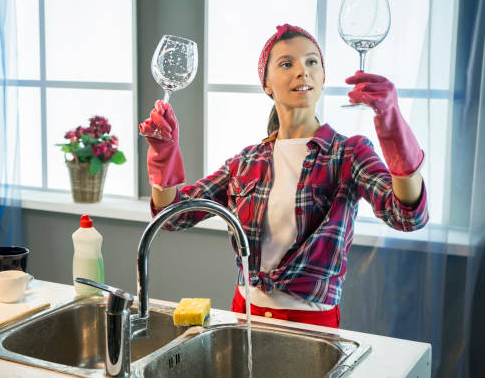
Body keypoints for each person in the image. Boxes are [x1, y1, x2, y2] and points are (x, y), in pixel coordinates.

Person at [138, 24, 429, 328]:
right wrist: (163, 156)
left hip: (312, 327)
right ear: (266, 84)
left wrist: (392, 124)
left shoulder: (349, 153)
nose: (303, 71)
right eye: (287, 63)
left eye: (311, 61)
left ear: (323, 77)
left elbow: (407, 216)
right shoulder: (246, 161)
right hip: (243, 318)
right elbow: (172, 217)